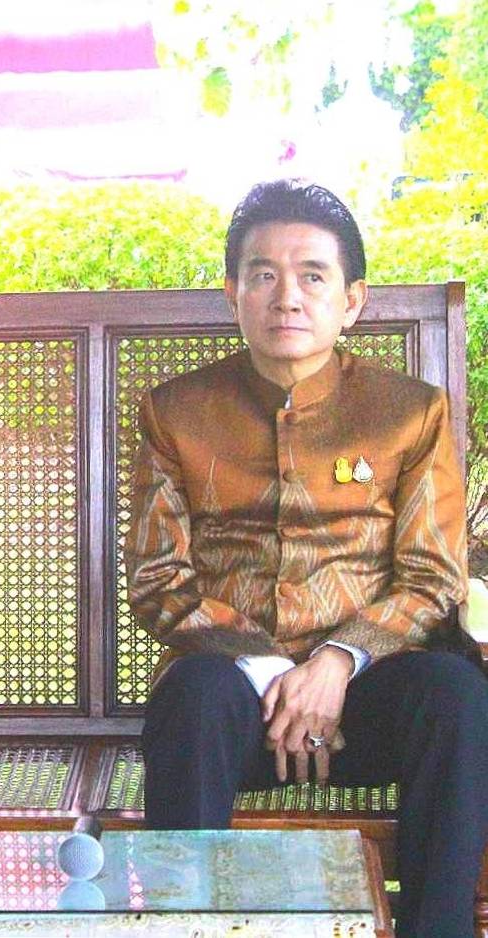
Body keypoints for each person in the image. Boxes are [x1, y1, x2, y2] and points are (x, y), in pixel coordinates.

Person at [127, 178, 488, 938]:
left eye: (311, 276)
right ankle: (183, 931)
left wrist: (334, 662)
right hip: (231, 704)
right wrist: (270, 673)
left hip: (370, 698)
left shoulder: (411, 412)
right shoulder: (175, 412)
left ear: (350, 300)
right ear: (232, 293)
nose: (285, 297)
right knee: (190, 696)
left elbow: (431, 576)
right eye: (262, 274)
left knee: (458, 697)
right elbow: (159, 581)